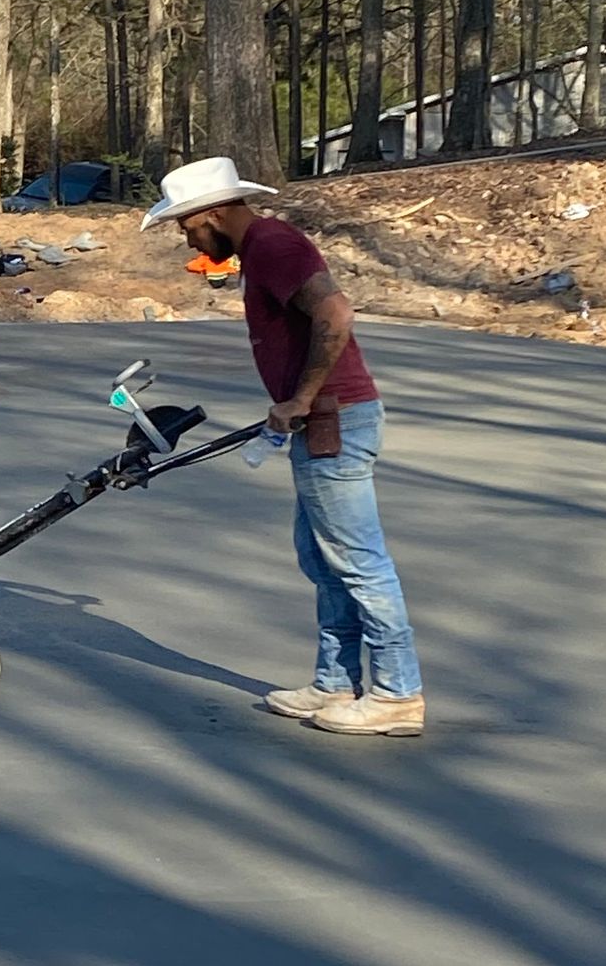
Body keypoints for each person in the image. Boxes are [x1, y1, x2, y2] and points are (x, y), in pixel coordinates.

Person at [144, 156, 424, 736]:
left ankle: (398, 693)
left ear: (214, 212)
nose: (187, 239)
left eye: (187, 227)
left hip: (333, 421)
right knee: (322, 558)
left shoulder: (273, 244)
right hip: (323, 421)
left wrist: (301, 399)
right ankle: (335, 681)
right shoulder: (264, 248)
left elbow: (335, 313)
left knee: (357, 561)